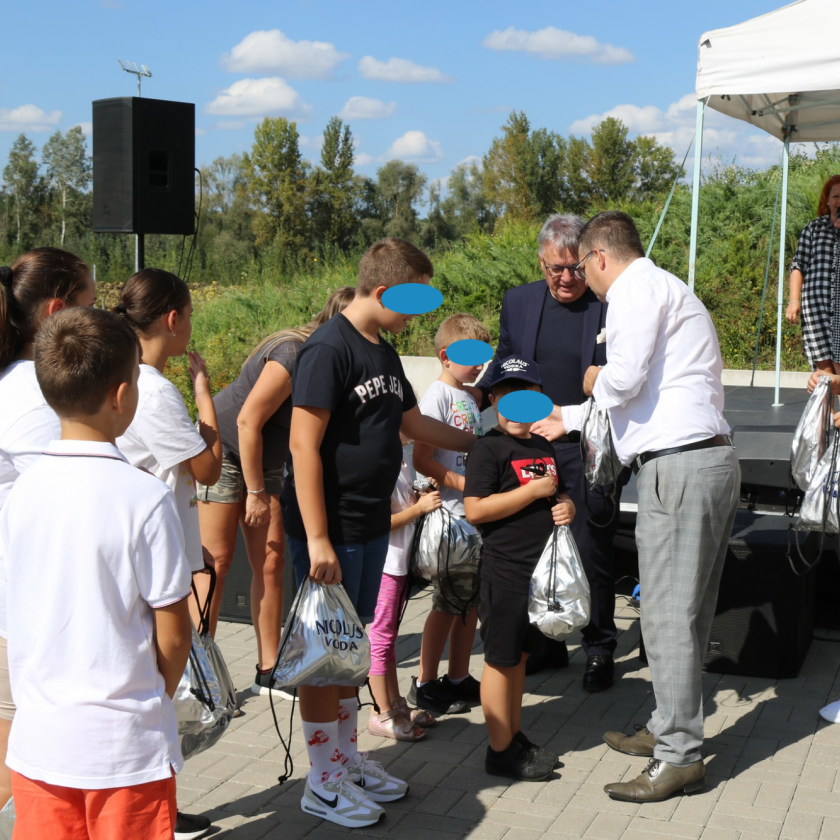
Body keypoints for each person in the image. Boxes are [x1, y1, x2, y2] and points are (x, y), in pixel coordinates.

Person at [281, 237, 477, 828]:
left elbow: (410, 421)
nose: (414, 318)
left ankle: (344, 761)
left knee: (349, 651)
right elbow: (302, 444)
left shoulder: (384, 354)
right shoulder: (326, 350)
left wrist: (482, 444)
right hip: (330, 530)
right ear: (386, 291)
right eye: (411, 305)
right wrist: (317, 538)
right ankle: (322, 782)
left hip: (368, 525)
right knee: (324, 659)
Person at [0, 307, 193, 839]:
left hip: (39, 746)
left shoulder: (21, 495)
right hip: (126, 752)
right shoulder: (146, 498)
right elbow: (174, 635)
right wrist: (155, 695)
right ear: (123, 394)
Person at [580, 211, 740, 803]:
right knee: (689, 614)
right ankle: (668, 729)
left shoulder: (631, 290)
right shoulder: (665, 287)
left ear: (600, 256)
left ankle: (678, 756)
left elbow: (620, 383)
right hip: (705, 459)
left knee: (667, 617)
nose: (587, 283)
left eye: (584, 269)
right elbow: (645, 399)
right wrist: (567, 419)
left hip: (676, 468)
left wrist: (594, 377)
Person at [197, 286, 354, 697]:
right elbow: (248, 422)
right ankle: (200, 674)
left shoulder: (335, 361)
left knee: (270, 561)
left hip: (266, 460)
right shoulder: (292, 353)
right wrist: (253, 491)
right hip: (226, 449)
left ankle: (269, 668)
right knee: (217, 564)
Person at [486, 213, 619, 692]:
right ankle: (546, 642)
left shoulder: (609, 304)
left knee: (589, 549)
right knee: (533, 546)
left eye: (574, 268)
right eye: (554, 269)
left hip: (585, 448)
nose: (566, 278)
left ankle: (600, 646)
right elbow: (504, 362)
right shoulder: (519, 301)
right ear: (540, 262)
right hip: (529, 449)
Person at [113, 268, 221, 840]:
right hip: (154, 560)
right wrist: (204, 394)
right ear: (173, 319)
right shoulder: (153, 389)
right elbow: (207, 468)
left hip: (150, 546)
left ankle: (161, 809)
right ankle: (156, 815)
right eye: (189, 318)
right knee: (160, 688)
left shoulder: (132, 380)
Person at [0, 248, 96, 819]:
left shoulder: (21, 381)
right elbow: (68, 507)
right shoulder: (33, 396)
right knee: (16, 755)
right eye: (93, 302)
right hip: (24, 605)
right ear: (58, 310)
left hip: (21, 598)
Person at [463, 355, 575, 781]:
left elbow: (558, 497)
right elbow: (476, 510)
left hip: (540, 575)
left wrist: (566, 506)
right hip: (505, 571)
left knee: (521, 658)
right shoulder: (487, 448)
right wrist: (531, 493)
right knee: (500, 659)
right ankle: (499, 751)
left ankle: (513, 735)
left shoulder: (543, 446)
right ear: (493, 400)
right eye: (506, 397)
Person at [409, 313, 489, 714]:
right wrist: (461, 485)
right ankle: (425, 682)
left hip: (474, 517)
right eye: (471, 356)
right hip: (451, 519)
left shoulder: (470, 398)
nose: (479, 365)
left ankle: (458, 676)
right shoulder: (436, 397)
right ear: (445, 356)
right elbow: (422, 458)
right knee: (445, 603)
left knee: (469, 601)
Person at [367, 435, 440, 740]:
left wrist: (419, 495)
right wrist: (420, 508)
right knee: (380, 636)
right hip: (384, 564)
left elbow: (399, 503)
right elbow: (377, 522)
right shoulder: (376, 460)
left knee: (390, 635)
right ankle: (380, 712)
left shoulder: (400, 457)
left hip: (399, 561)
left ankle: (395, 703)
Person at [786, 174, 840, 373]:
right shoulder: (813, 228)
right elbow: (798, 265)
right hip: (816, 308)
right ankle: (827, 406)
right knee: (824, 372)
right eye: (836, 196)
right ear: (827, 200)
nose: (839, 201)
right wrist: (794, 301)